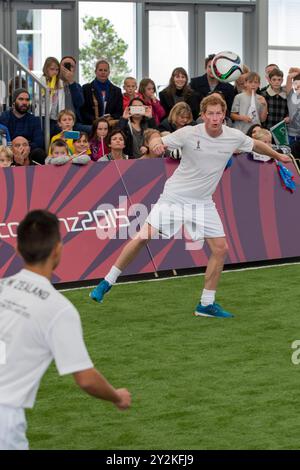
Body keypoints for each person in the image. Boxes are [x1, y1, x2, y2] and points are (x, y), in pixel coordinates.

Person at [90, 94, 291, 317]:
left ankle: (206, 304)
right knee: (142, 237)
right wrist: (156, 144)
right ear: (203, 115)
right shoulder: (188, 133)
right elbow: (156, 139)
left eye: (219, 114)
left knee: (220, 249)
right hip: (174, 197)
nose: (215, 118)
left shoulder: (233, 135)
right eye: (210, 114)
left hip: (203, 203)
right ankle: (107, 282)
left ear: (223, 115)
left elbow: (256, 145)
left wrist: (278, 156)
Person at [0, 210, 131, 450]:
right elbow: (86, 379)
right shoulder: (59, 309)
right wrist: (117, 396)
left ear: (17, 250)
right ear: (58, 249)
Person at [81, 59, 123, 125]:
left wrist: (111, 117)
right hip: (91, 125)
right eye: (100, 70)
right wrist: (96, 120)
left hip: (110, 125)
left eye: (105, 70)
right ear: (95, 72)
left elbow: (119, 112)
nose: (103, 72)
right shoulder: (86, 88)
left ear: (109, 72)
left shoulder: (117, 91)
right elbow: (83, 111)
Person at [59, 56, 88, 133]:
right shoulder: (53, 84)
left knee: (94, 129)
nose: (68, 68)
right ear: (59, 67)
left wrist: (71, 82)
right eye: (65, 65)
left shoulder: (76, 86)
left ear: (74, 70)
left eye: (71, 66)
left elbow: (80, 103)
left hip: (74, 123)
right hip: (58, 122)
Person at [286, 67, 300, 145]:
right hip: (292, 134)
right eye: (295, 84)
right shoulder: (291, 96)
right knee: (291, 156)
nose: (297, 86)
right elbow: (289, 78)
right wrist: (295, 73)